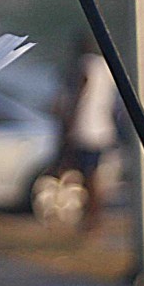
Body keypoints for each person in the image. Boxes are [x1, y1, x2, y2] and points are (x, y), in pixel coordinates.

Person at [53, 33, 119, 232]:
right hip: (103, 127)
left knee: (87, 175)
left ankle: (92, 217)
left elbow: (78, 97)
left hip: (85, 129)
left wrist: (68, 125)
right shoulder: (104, 66)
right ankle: (92, 215)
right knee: (92, 174)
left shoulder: (84, 66)